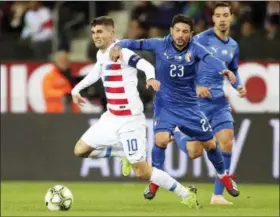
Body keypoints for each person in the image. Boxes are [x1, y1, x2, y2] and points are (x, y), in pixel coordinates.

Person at [71, 16, 200, 208]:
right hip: (111, 117)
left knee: (142, 172)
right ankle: (122, 153)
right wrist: (76, 89)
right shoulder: (101, 55)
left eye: (100, 32)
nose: (95, 36)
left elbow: (146, 65)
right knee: (80, 150)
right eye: (93, 33)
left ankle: (185, 192)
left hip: (130, 121)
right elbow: (96, 73)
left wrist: (150, 78)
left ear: (111, 33)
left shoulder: (122, 51)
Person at [110, 14, 240, 200]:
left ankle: (223, 175)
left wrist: (224, 69)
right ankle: (155, 182)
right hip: (166, 106)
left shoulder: (195, 48)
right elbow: (134, 43)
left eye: (185, 32)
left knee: (210, 145)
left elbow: (209, 58)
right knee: (161, 140)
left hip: (190, 107)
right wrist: (117, 45)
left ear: (191, 34)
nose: (180, 35)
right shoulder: (159, 44)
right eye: (177, 30)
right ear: (171, 31)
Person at [171, 2, 247, 205]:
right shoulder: (199, 40)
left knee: (227, 140)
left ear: (231, 18)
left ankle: (217, 195)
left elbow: (234, 69)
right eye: (218, 15)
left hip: (219, 102)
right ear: (212, 18)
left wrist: (238, 85)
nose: (222, 19)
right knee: (194, 152)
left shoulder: (233, 45)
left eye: (226, 15)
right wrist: (195, 87)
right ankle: (176, 132)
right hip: (197, 103)